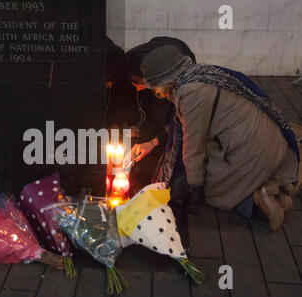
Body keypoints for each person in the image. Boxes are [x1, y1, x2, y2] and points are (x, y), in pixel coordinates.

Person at [134, 44, 300, 231]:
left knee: (214, 193)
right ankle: (276, 187)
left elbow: (192, 146)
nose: (155, 93)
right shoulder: (198, 75)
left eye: (154, 87)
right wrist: (153, 143)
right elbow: (184, 127)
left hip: (254, 152)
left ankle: (255, 201)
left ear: (165, 80)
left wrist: (195, 187)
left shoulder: (191, 94)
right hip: (272, 144)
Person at [125, 37, 196, 200]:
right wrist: (150, 141)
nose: (136, 87)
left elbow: (184, 131)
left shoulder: (186, 97)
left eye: (138, 82)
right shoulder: (136, 60)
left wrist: (154, 142)